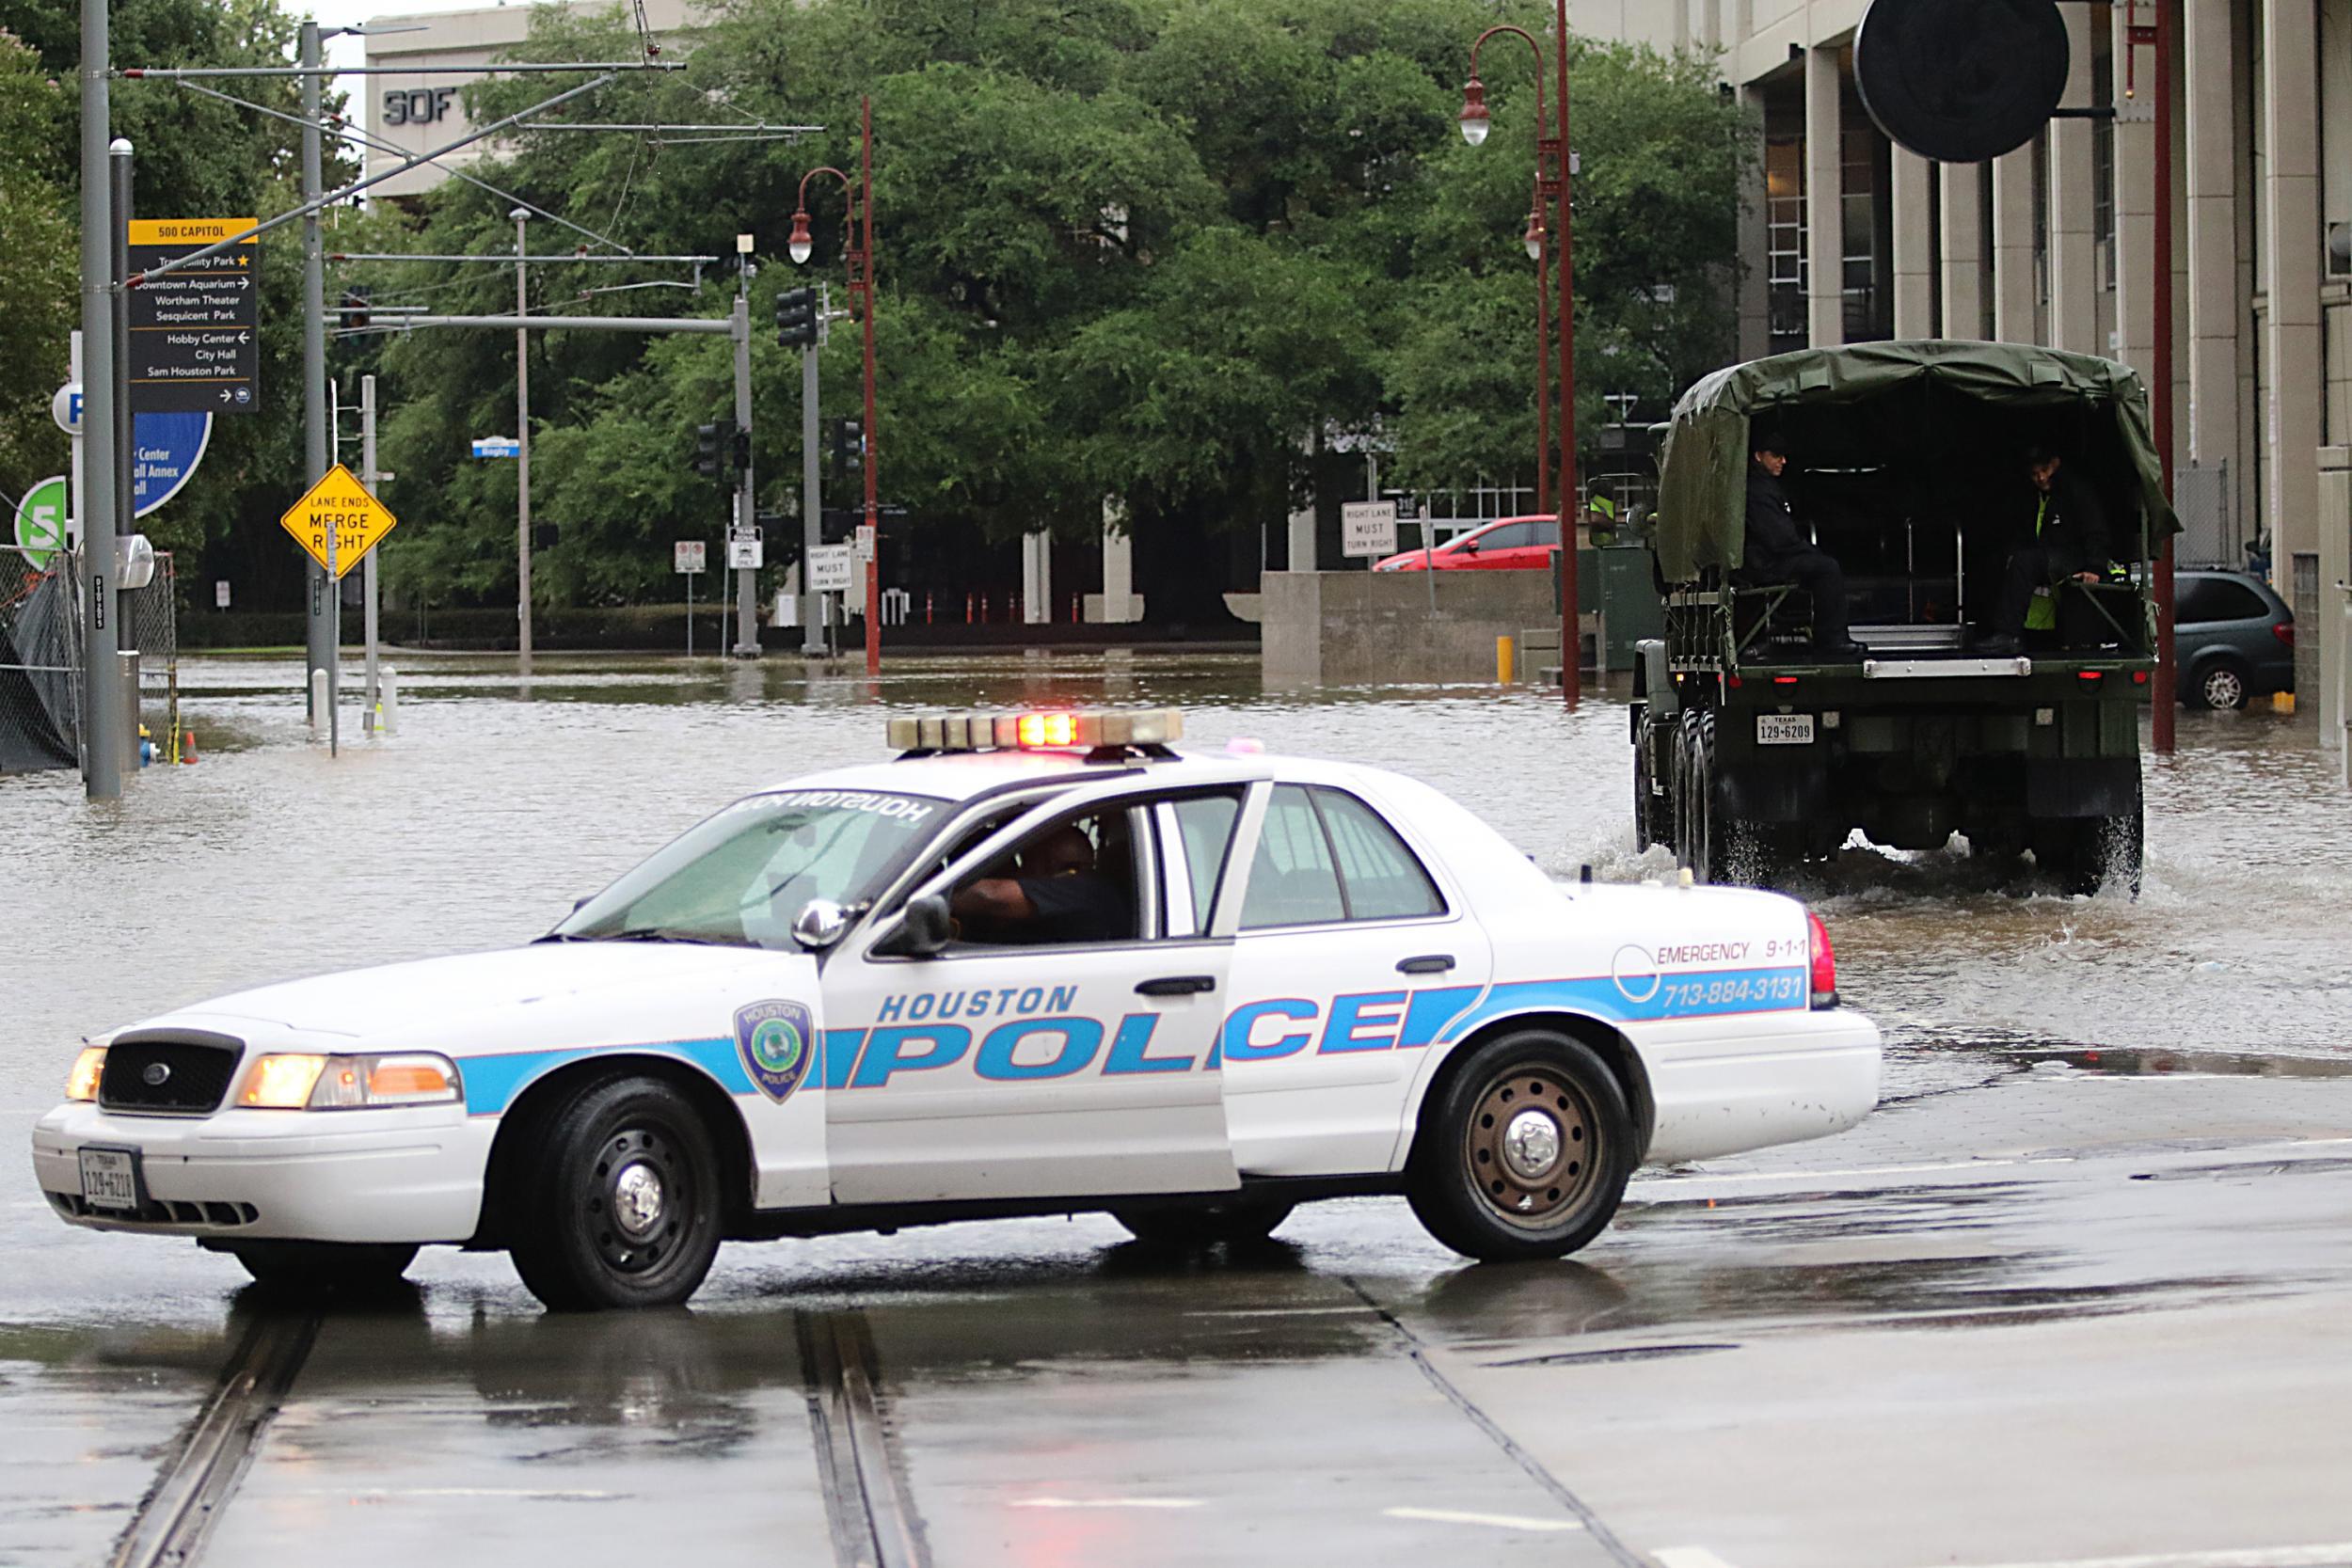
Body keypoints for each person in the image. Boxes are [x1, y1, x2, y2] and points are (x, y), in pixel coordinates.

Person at [1971, 445, 2112, 657]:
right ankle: (1991, 628)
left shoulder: (2075, 490)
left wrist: (2095, 566)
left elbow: (2095, 529)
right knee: (2002, 560)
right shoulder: (2030, 495)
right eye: (2035, 474)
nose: (2041, 478)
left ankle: (2008, 635)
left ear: (2055, 464)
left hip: (2073, 556)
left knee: (2025, 562)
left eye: (2044, 471)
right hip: (2046, 553)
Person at [1740, 442, 1867, 659]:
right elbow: (1778, 537)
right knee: (1827, 569)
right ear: (1758, 456)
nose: (1783, 461)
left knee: (1822, 565)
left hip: (1765, 558)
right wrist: (1807, 551)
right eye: (1776, 455)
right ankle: (1831, 640)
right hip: (1763, 563)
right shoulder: (1758, 490)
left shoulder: (1764, 485)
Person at [951, 824, 1129, 944]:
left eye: (1029, 861)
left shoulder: (1085, 891)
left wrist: (930, 894)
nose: (1020, 871)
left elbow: (991, 896)